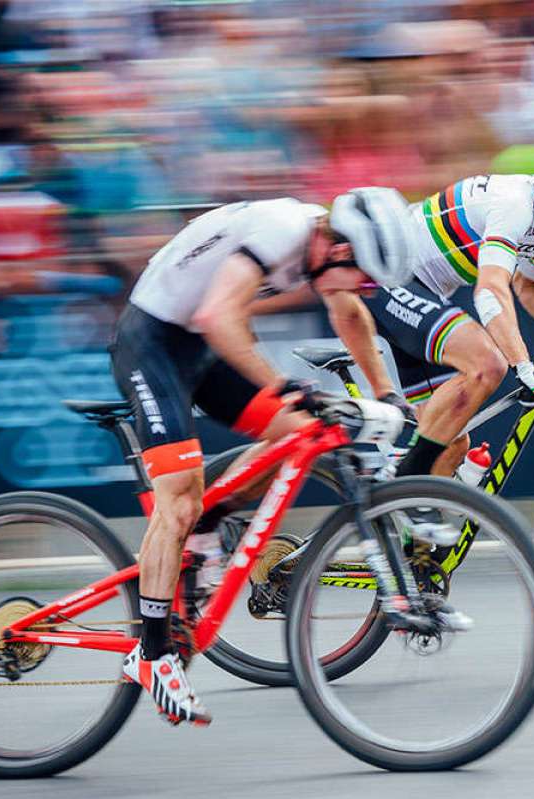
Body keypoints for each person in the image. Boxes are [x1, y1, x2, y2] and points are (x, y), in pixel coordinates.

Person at [111, 187, 421, 726]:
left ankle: (214, 514)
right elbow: (218, 317)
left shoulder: (323, 251)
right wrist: (284, 383)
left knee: (302, 435)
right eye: (366, 278)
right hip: (153, 343)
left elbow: (347, 313)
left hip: (198, 346)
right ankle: (152, 651)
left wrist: (386, 394)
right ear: (340, 250)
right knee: (177, 503)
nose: (365, 291)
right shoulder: (282, 230)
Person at [363, 115, 534, 484]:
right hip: (385, 279)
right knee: (487, 365)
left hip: (420, 292)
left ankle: (407, 525)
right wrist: (522, 365)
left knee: (450, 446)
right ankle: (406, 475)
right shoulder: (515, 206)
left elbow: (531, 286)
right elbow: (490, 290)